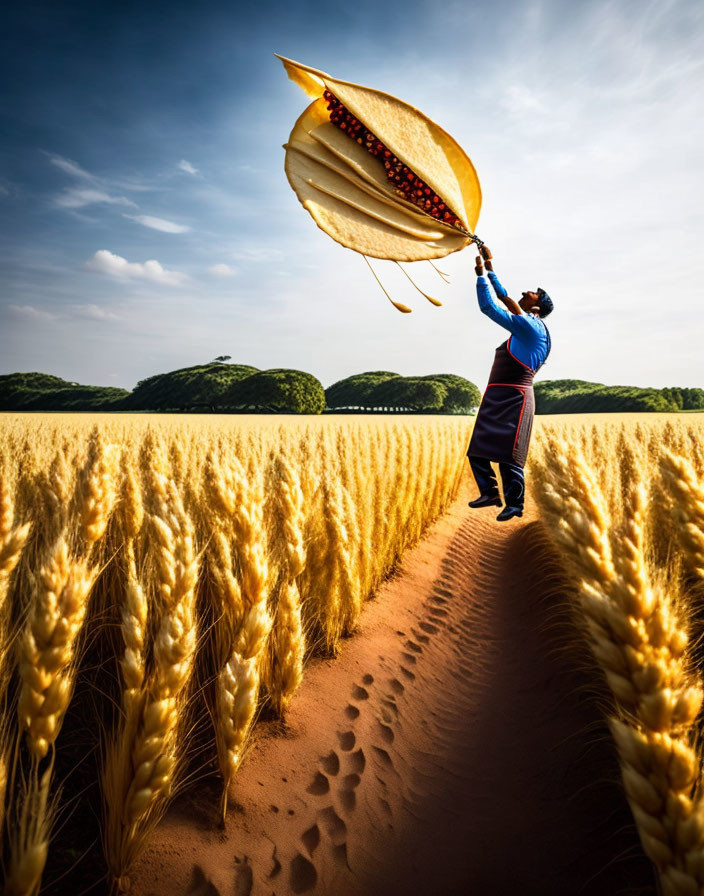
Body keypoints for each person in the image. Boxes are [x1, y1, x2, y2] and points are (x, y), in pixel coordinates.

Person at [466, 246, 553, 521]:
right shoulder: (527, 323)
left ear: (536, 307)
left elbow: (490, 306)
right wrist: (489, 268)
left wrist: (480, 276)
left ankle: (515, 505)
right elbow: (505, 298)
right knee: (478, 449)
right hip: (499, 395)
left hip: (515, 397)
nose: (526, 291)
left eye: (532, 293)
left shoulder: (531, 328)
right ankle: (490, 493)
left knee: (509, 455)